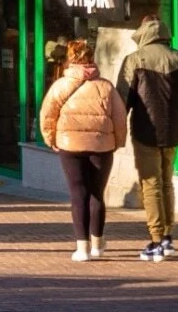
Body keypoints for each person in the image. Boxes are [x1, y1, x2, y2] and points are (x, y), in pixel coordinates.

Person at [117, 15, 178, 262]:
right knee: (166, 182)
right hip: (173, 130)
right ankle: (168, 236)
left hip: (145, 130)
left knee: (151, 184)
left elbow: (123, 100)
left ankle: (156, 239)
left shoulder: (134, 60)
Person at [38, 38, 127, 261]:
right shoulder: (106, 86)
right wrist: (118, 142)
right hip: (102, 146)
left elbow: (47, 115)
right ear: (91, 58)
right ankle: (98, 244)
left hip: (70, 145)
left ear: (70, 58)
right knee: (97, 194)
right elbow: (120, 118)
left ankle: (82, 248)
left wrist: (51, 139)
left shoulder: (60, 86)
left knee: (78, 195)